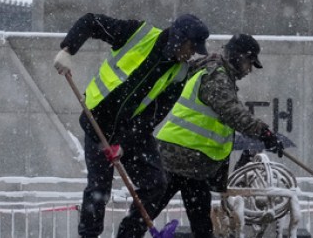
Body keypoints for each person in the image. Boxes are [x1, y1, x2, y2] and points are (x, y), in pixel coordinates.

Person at [53, 12, 211, 238]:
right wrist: (68, 49)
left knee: (156, 184)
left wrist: (124, 144)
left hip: (133, 130)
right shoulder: (138, 33)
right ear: (178, 38)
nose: (191, 54)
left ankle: (129, 235)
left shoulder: (180, 72)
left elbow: (154, 116)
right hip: (98, 122)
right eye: (191, 47)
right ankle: (89, 235)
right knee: (99, 190)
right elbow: (90, 21)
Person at [114, 34, 284, 238]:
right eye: (249, 63)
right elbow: (231, 111)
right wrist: (264, 133)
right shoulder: (215, 76)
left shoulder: (215, 73)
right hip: (178, 158)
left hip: (191, 164)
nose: (248, 70)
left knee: (194, 222)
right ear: (238, 57)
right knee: (149, 213)